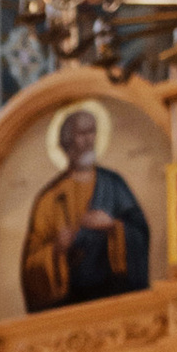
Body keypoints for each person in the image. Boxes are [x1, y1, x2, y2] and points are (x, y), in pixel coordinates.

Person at [19, 103, 150, 310]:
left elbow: (140, 234)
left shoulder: (113, 184)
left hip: (116, 298)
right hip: (70, 305)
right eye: (81, 133)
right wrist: (56, 249)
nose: (89, 140)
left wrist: (112, 226)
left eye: (92, 132)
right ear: (66, 141)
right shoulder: (49, 198)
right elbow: (30, 266)